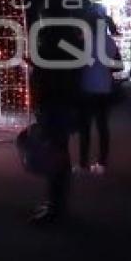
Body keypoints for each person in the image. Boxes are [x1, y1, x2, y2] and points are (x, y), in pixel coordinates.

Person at [28, 16, 80, 225]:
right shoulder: (69, 50)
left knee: (54, 156)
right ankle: (56, 203)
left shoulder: (48, 52)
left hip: (52, 108)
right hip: (62, 107)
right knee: (60, 154)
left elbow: (43, 79)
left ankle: (55, 207)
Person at [76, 9, 121, 175]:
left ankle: (83, 164)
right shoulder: (109, 41)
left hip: (86, 87)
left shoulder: (84, 40)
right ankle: (102, 162)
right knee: (102, 126)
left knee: (85, 128)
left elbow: (77, 63)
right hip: (104, 87)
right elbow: (118, 65)